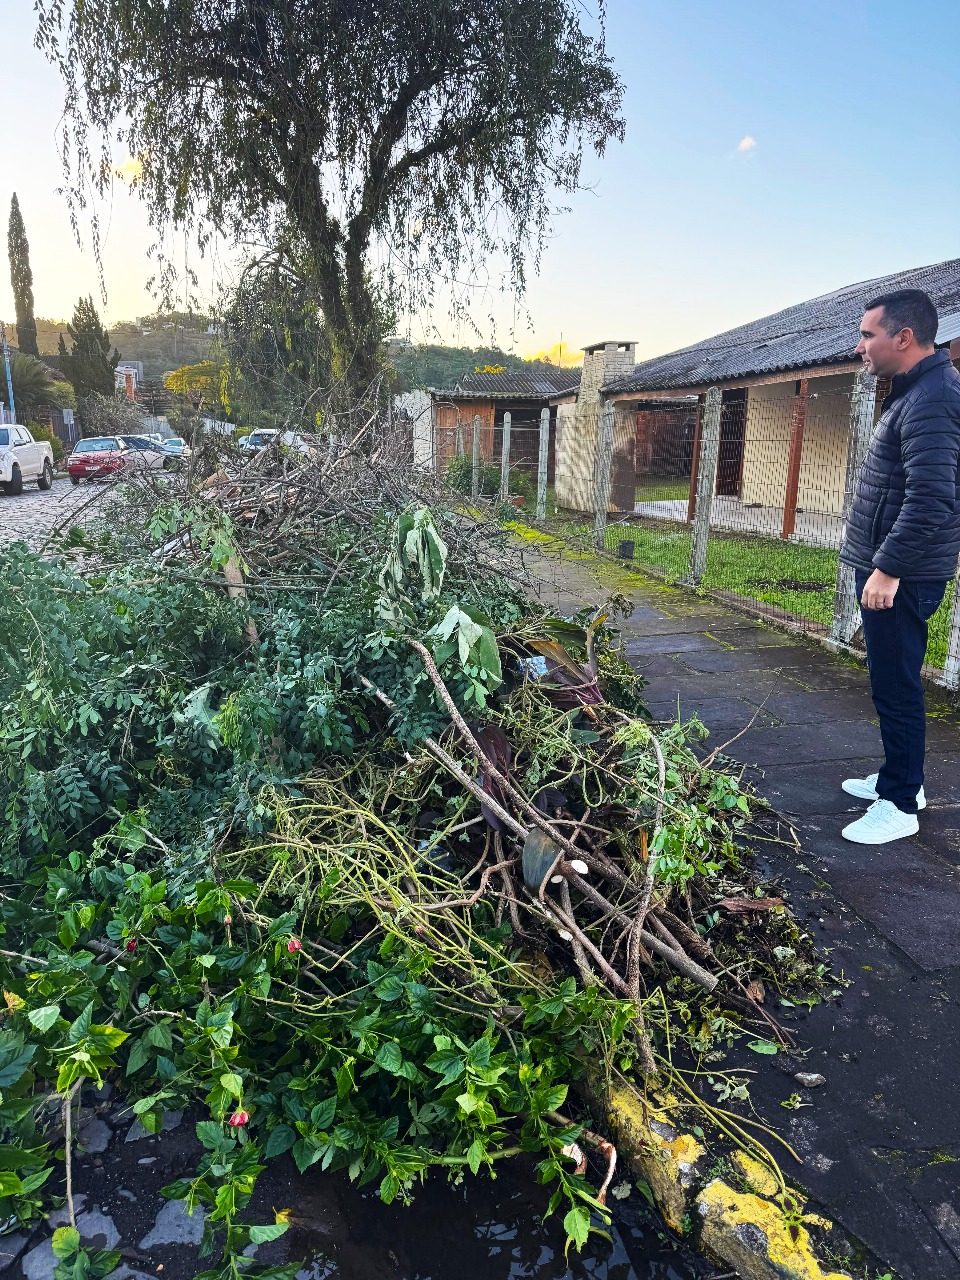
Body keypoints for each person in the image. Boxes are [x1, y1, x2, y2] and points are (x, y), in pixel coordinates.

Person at [839, 288, 960, 844]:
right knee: (889, 680)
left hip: (903, 574)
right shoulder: (917, 390)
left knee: (898, 685)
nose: (860, 345)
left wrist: (887, 569)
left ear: (903, 338)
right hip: (895, 566)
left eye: (868, 334)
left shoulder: (933, 396)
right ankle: (897, 777)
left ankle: (901, 804)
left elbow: (932, 498)